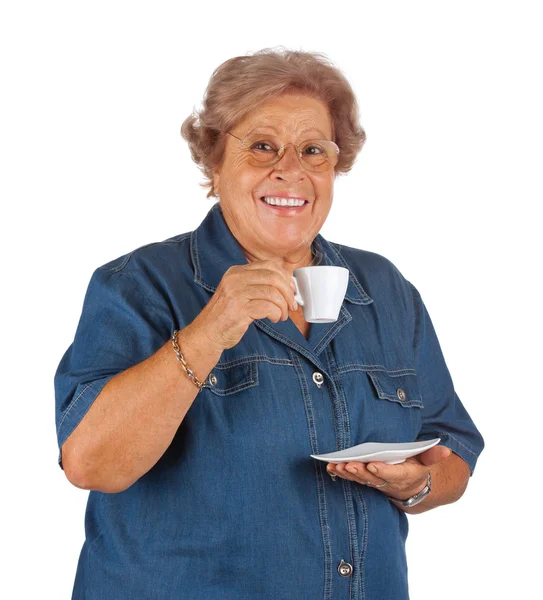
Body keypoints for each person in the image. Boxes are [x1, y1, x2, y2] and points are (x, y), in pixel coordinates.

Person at [55, 48, 484, 600]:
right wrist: (211, 329)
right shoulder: (138, 285)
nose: (291, 170)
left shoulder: (385, 290)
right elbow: (91, 463)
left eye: (313, 150)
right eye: (262, 146)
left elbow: (451, 453)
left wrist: (418, 484)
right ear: (214, 160)